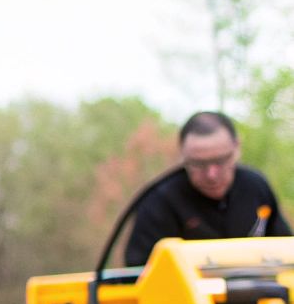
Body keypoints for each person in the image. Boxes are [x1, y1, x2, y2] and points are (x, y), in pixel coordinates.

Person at [123, 110, 290, 266]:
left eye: (221, 160)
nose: (211, 174)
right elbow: (138, 274)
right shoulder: (159, 201)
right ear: (182, 155)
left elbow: (286, 250)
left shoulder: (255, 186)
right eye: (199, 163)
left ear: (237, 147)